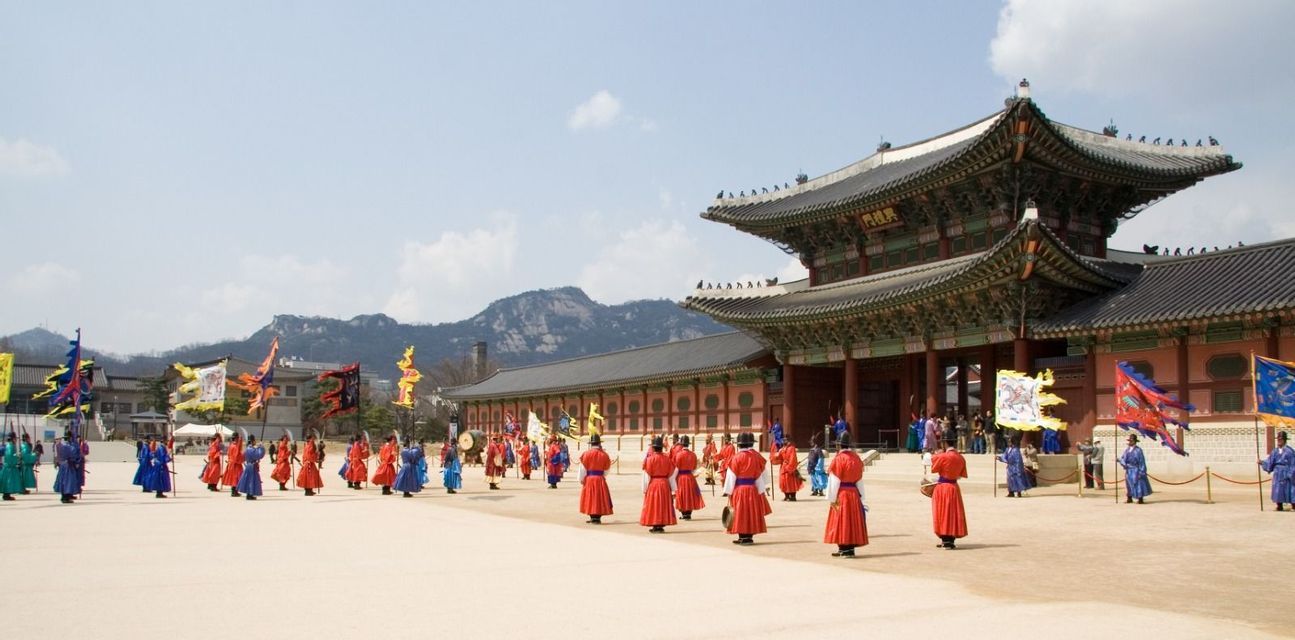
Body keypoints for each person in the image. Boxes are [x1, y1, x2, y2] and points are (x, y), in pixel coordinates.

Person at [824, 434, 868, 558]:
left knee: (841, 520)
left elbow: (834, 479)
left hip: (842, 493)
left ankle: (845, 547)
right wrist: (861, 495)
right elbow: (859, 478)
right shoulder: (856, 458)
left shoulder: (839, 459)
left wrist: (831, 497)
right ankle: (847, 548)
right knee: (851, 521)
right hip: (853, 492)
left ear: (839, 445)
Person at [724, 432, 771, 545]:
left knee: (740, 512)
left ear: (738, 445)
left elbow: (731, 476)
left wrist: (727, 490)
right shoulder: (755, 457)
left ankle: (743, 536)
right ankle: (748, 536)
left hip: (740, 489)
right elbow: (759, 475)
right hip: (752, 488)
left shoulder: (736, 458)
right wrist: (761, 489)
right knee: (750, 512)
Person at [930, 435, 968, 549]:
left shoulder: (943, 456)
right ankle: (950, 539)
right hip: (954, 487)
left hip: (943, 487)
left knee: (942, 512)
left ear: (945, 443)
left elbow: (933, 467)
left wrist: (937, 454)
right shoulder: (961, 458)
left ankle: (945, 538)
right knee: (953, 513)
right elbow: (962, 474)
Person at [640, 436, 677, 533]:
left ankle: (655, 525)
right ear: (661, 447)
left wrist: (644, 489)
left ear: (653, 447)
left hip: (654, 484)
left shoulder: (649, 460)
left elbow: (646, 475)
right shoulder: (668, 460)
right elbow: (672, 475)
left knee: (654, 504)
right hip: (664, 483)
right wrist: (673, 489)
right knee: (663, 504)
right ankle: (661, 524)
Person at [579, 433, 614, 523]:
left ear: (591, 444)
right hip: (600, 478)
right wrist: (601, 475)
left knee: (590, 498)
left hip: (589, 478)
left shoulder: (586, 454)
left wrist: (581, 479)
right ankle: (597, 517)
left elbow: (582, 469)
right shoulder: (604, 455)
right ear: (599, 443)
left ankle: (592, 516)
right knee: (599, 498)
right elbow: (607, 469)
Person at [1259, 431, 1295, 510]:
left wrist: (1291, 474)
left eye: (1281, 439)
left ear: (1285, 440)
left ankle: (1293, 505)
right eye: (1278, 439)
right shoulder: (1275, 451)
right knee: (1278, 489)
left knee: (1290, 488)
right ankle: (1279, 505)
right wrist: (1262, 462)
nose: (1279, 440)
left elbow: (1293, 464)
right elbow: (1270, 462)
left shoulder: (1290, 451)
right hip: (1277, 473)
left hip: (1286, 472)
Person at [672, 435, 704, 520]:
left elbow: (676, 468)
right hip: (690, 477)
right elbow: (694, 467)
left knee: (682, 495)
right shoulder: (693, 454)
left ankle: (684, 513)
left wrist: (672, 479)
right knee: (690, 495)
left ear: (681, 444)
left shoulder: (678, 455)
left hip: (681, 477)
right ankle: (688, 513)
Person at [1118, 433, 1151, 504]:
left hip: (1136, 469)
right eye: (1129, 441)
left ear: (1135, 441)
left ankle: (1140, 498)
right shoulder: (1127, 450)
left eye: (1131, 441)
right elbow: (1123, 458)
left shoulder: (1138, 450)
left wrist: (1141, 471)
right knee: (1128, 484)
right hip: (1129, 470)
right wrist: (1120, 460)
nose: (1130, 442)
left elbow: (1142, 461)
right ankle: (1129, 497)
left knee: (1138, 484)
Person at [53, 432, 81, 504]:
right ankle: (65, 497)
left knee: (64, 482)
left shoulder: (60, 445)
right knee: (68, 482)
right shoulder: (68, 446)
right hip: (68, 466)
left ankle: (66, 496)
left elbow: (57, 456)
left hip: (63, 466)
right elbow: (73, 454)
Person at [236, 435, 265, 500]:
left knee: (248, 480)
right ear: (252, 441)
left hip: (249, 466)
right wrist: (261, 447)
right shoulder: (251, 449)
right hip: (252, 467)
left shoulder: (248, 448)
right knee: (251, 480)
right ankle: (250, 494)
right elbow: (258, 455)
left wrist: (259, 447)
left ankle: (250, 494)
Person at [296, 432, 324, 496]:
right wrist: (316, 455)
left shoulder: (306, 445)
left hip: (307, 463)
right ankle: (308, 491)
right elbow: (311, 455)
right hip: (309, 464)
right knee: (310, 477)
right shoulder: (310, 445)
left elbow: (306, 455)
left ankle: (309, 490)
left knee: (308, 477)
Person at [222, 432, 244, 497]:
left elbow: (229, 455)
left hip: (231, 464)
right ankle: (234, 491)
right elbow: (237, 457)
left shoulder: (231, 446)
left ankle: (234, 491)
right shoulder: (235, 447)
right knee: (237, 477)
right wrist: (242, 458)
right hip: (236, 464)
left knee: (233, 478)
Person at [1, 433, 22, 500]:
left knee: (7, 481)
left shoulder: (8, 445)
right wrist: (17, 456)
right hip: (9, 466)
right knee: (9, 481)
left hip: (7, 466)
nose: (16, 440)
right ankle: (6, 495)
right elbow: (10, 456)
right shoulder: (11, 446)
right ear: (13, 439)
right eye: (15, 438)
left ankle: (6, 495)